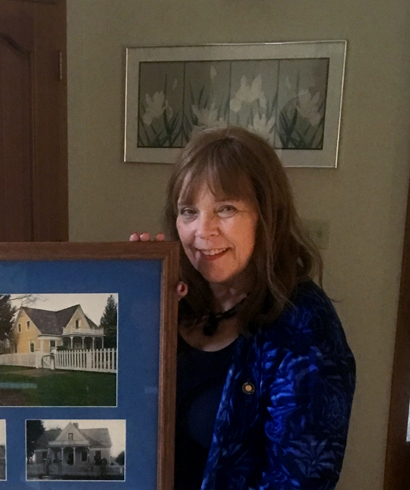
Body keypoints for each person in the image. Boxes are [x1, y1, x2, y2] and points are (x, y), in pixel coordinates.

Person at [136, 126, 355, 489]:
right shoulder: (173, 298)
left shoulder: (305, 330)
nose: (203, 231)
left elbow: (298, 479)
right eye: (189, 211)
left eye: (225, 209)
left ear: (266, 216)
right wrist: (132, 306)